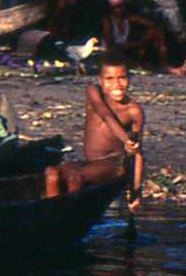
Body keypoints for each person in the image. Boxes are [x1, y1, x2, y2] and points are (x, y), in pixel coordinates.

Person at [46, 50, 146, 209]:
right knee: (51, 172)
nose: (117, 84)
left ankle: (69, 214)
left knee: (75, 177)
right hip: (91, 163)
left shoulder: (133, 111)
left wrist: (136, 189)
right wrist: (125, 139)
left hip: (115, 163)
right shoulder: (93, 91)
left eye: (122, 78)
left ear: (129, 79)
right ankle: (52, 211)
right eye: (109, 79)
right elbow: (106, 115)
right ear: (100, 80)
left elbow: (138, 153)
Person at [102, 0, 186, 76]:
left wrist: (148, 36)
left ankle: (164, 65)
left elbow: (152, 24)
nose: (120, 9)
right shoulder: (108, 22)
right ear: (111, 8)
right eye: (117, 7)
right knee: (140, 48)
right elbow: (111, 45)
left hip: (127, 49)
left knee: (156, 31)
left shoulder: (128, 18)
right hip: (114, 53)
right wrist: (137, 43)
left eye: (122, 6)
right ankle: (162, 67)